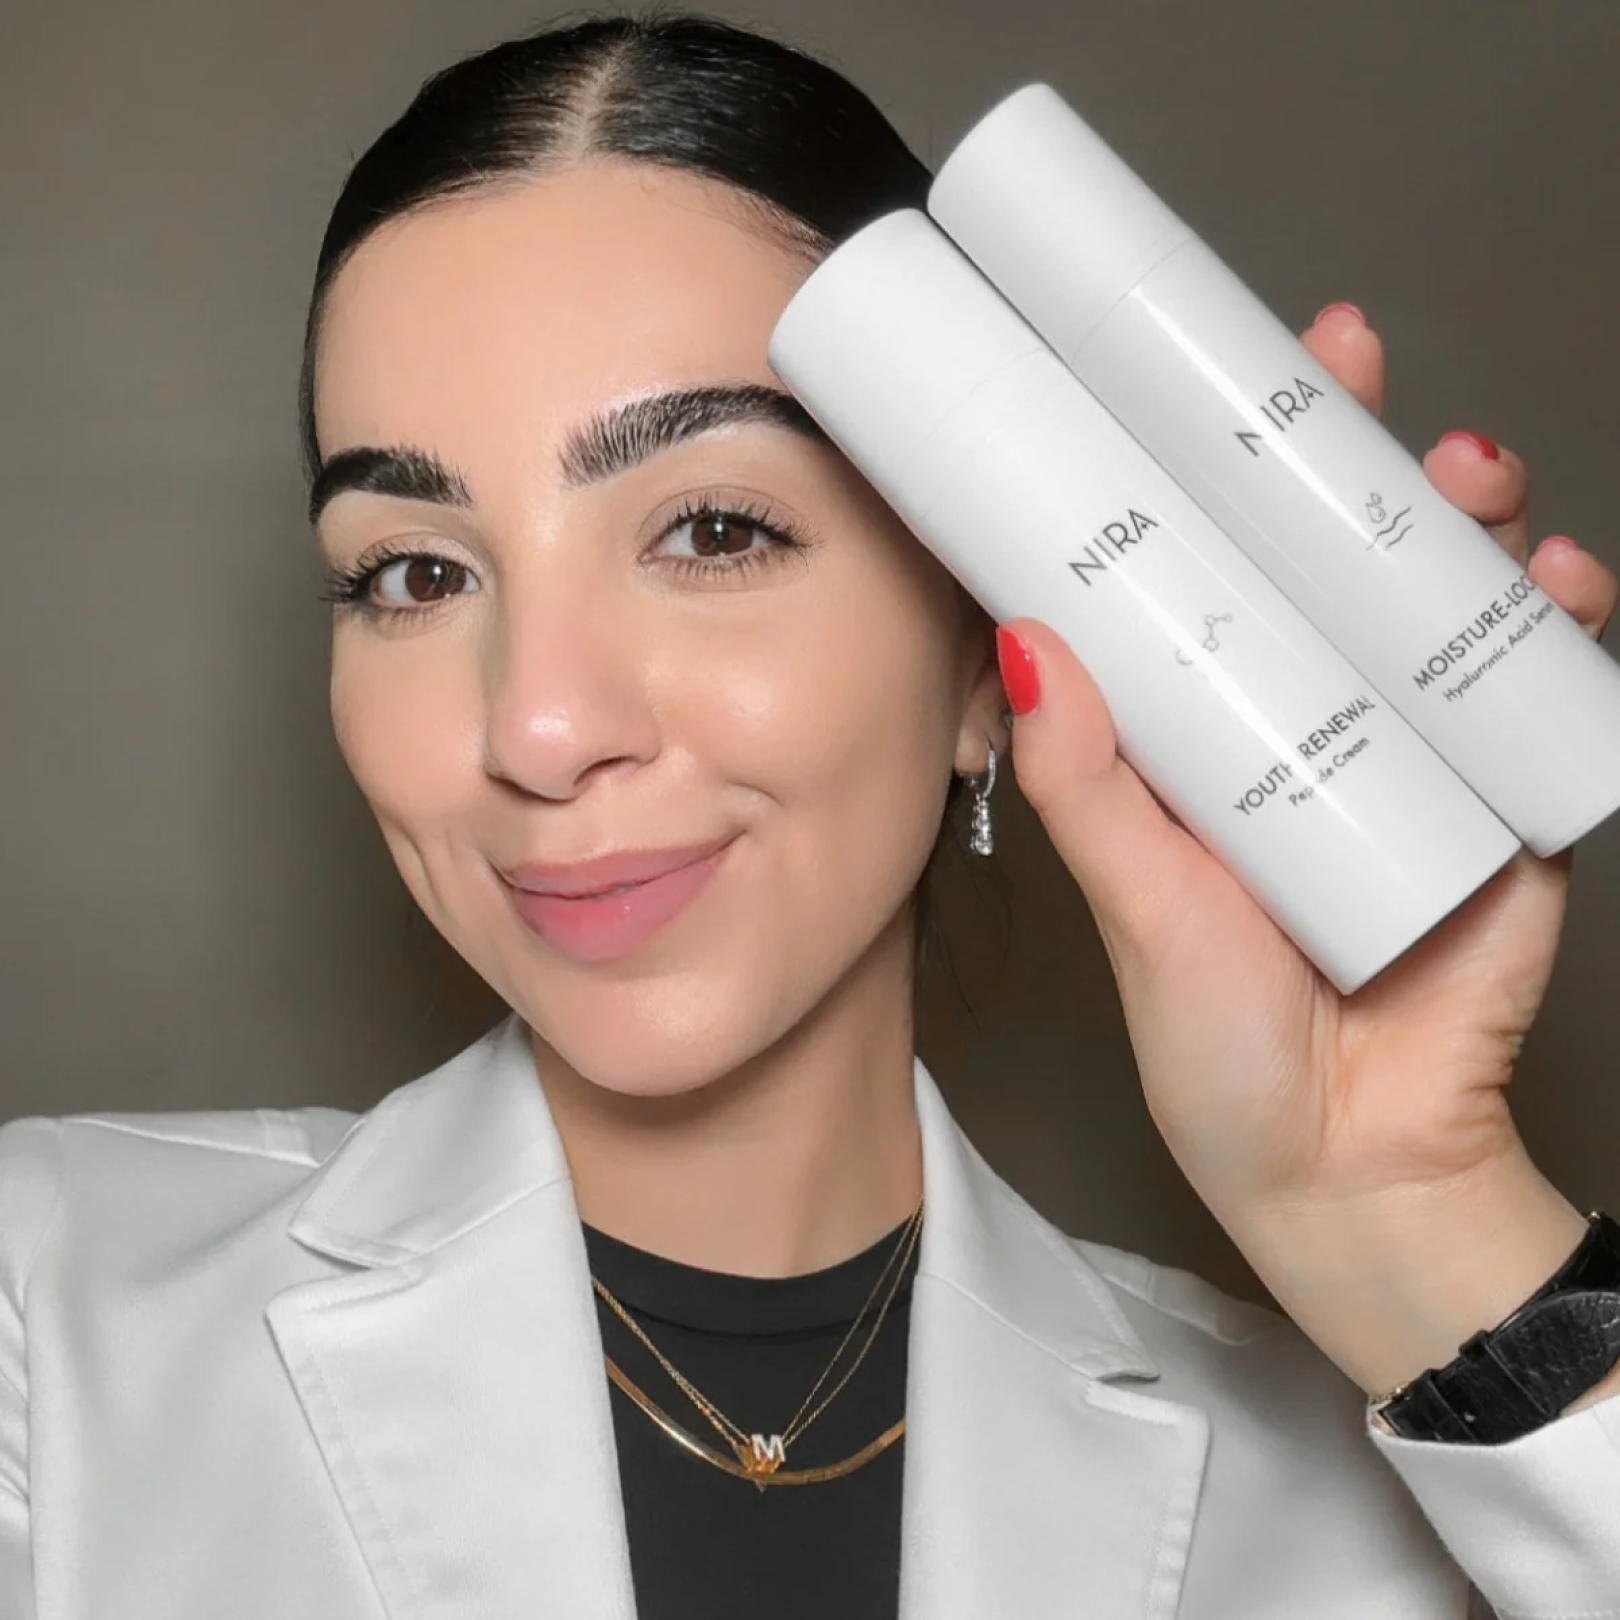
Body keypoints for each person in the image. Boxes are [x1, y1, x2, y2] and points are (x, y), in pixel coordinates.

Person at [2, 11, 1618, 1617]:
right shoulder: (51, 1313)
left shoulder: (1380, 1500)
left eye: (711, 531)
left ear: (997, 657)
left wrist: (1410, 1208)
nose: (540, 727)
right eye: (413, 573)